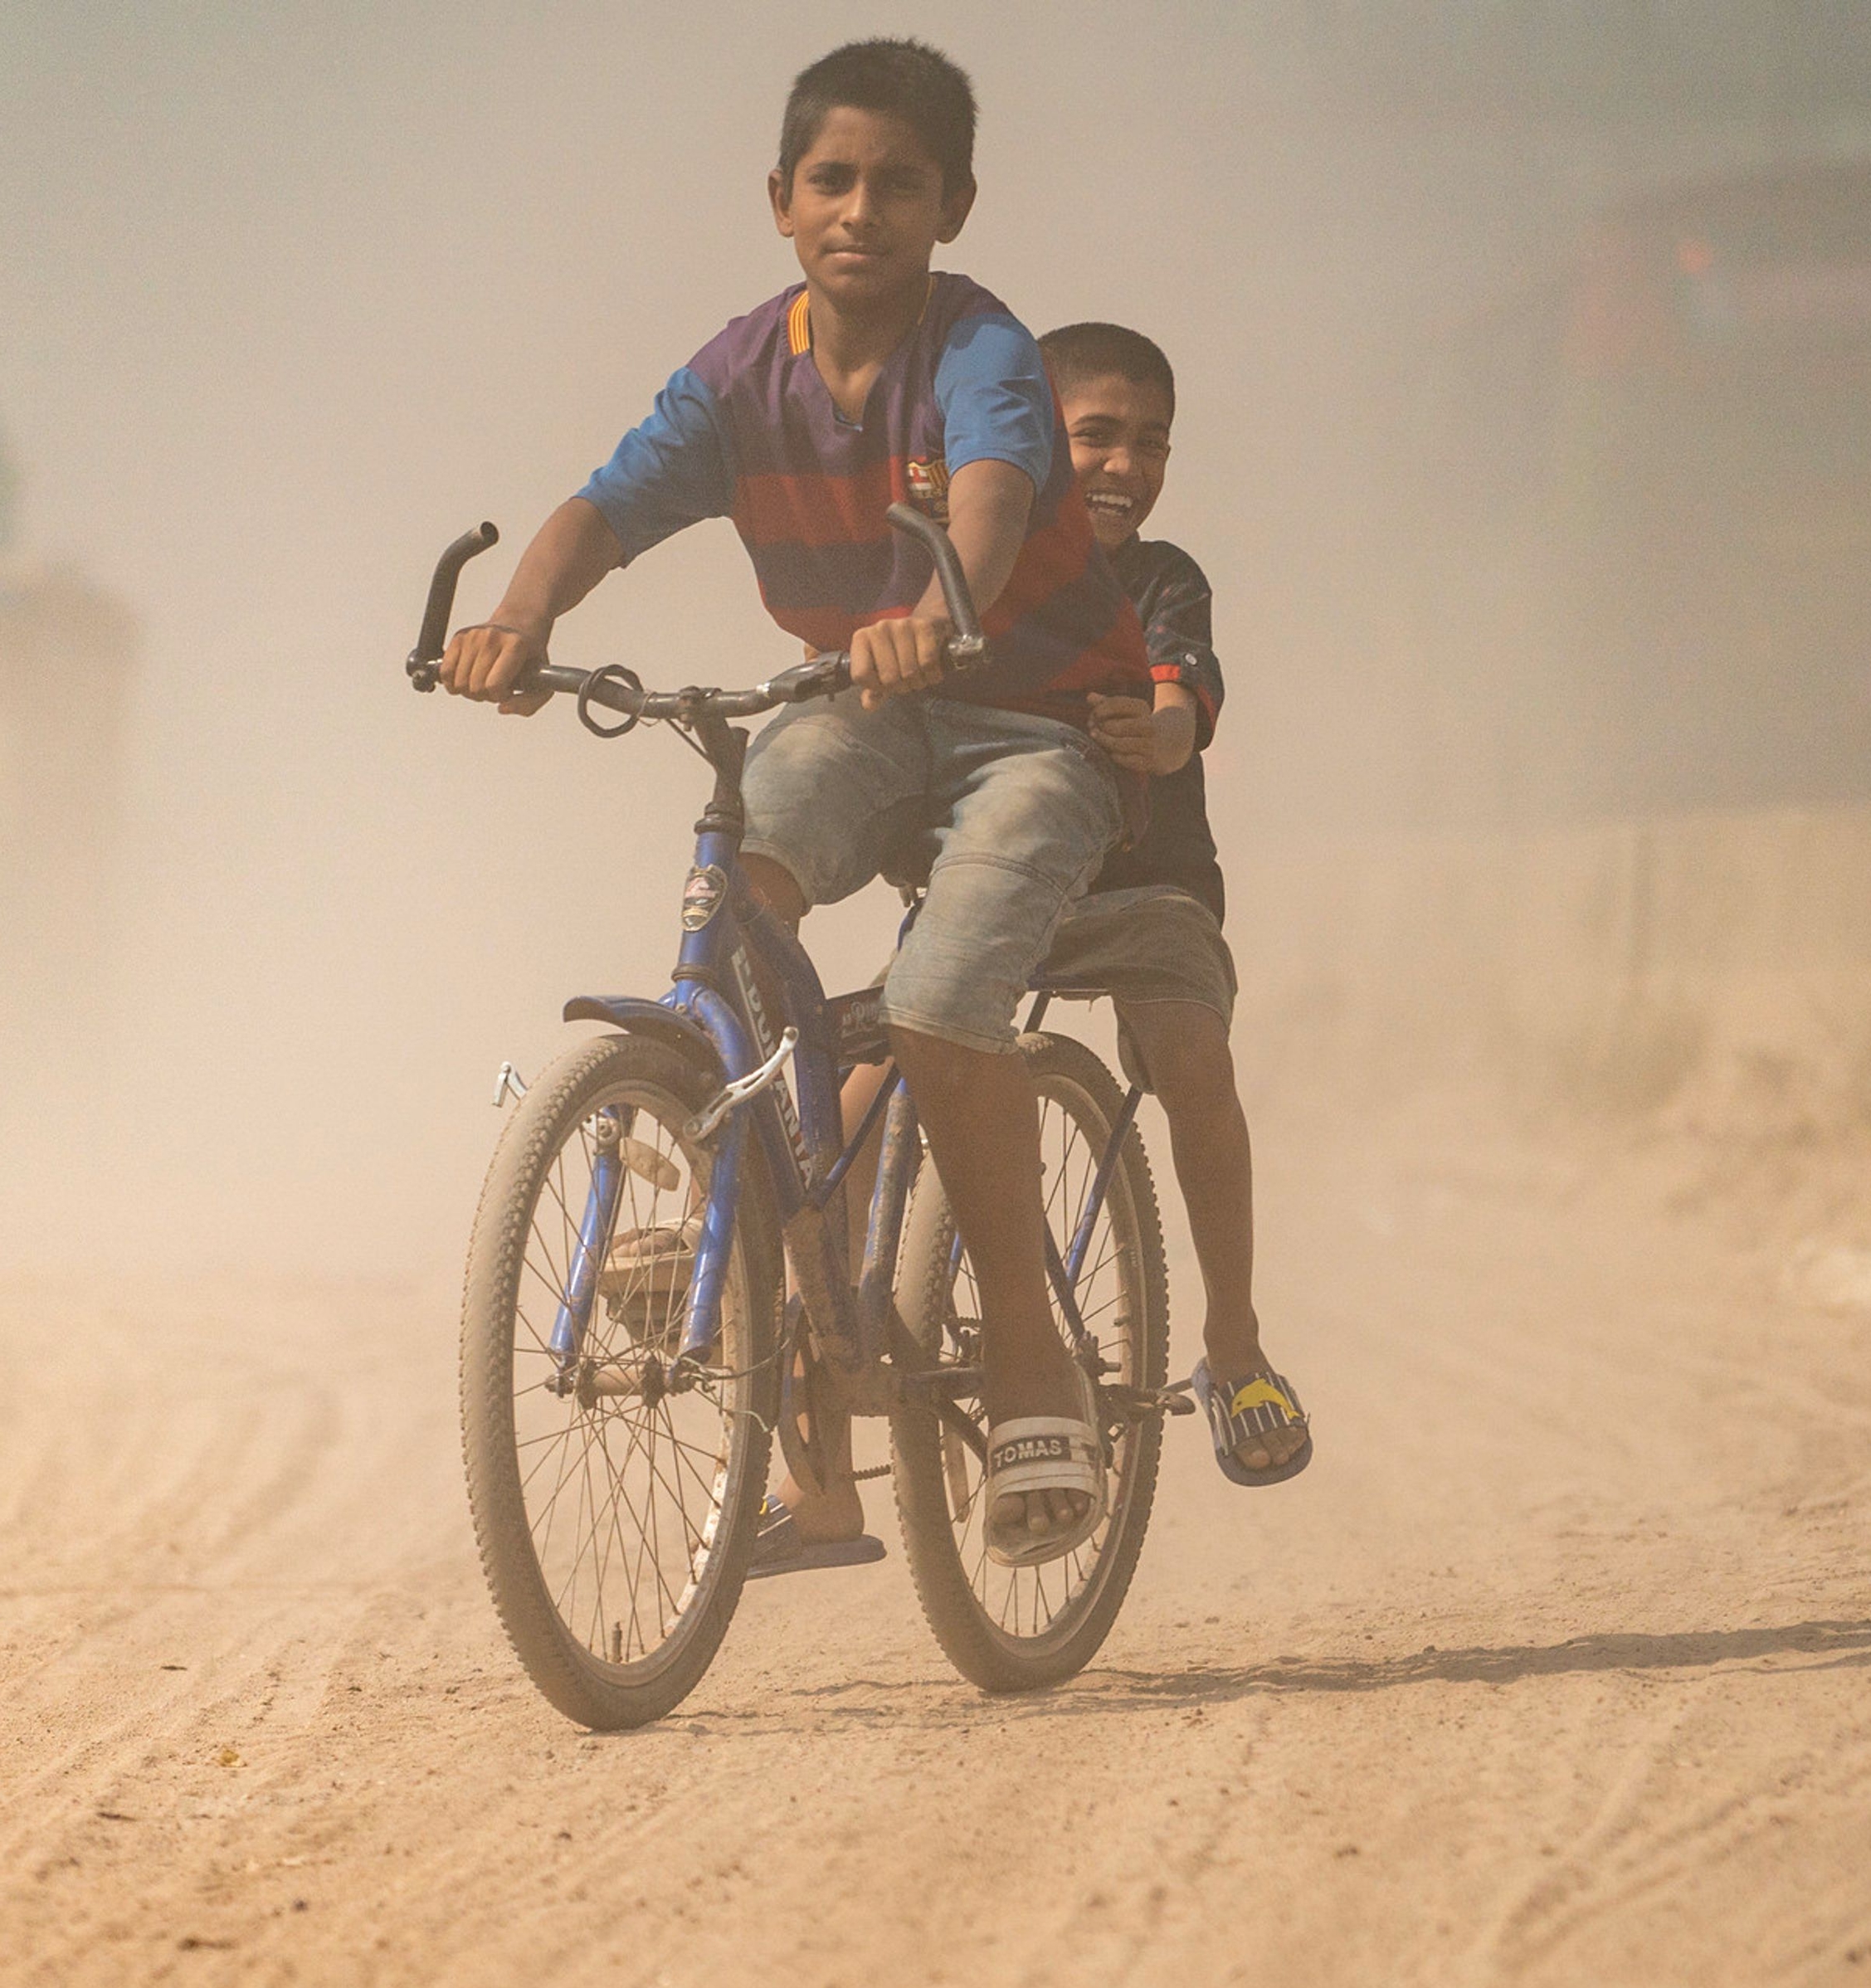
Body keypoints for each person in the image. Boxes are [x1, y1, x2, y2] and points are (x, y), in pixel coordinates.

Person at [436, 38, 1152, 1570]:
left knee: (953, 1003)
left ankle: (1030, 1355)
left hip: (1028, 727)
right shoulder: (739, 375)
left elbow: (993, 489)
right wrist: (521, 619)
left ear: (954, 205)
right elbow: (605, 506)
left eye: (900, 184)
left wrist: (936, 602)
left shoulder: (982, 351)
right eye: (833, 179)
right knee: (742, 864)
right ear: (779, 200)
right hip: (862, 706)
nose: (863, 209)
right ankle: (737, 1206)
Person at [1032, 320, 1313, 1484]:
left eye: (1150, 444)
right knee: (866, 1079)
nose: (1124, 467)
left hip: (1148, 887)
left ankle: (1233, 1341)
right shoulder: (973, 568)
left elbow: (1180, 705)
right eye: (1094, 436)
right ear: (1027, 439)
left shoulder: (1160, 580)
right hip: (1003, 884)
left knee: (1193, 1065)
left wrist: (1152, 736)